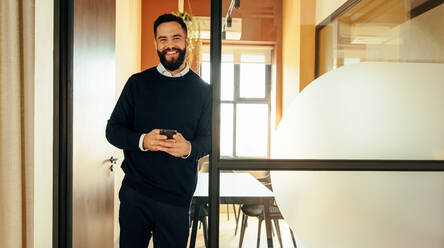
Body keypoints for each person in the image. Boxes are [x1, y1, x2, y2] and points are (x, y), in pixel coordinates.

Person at [106, 13, 211, 248]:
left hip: (176, 199)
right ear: (156, 43)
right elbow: (112, 130)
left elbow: (211, 141)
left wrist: (189, 148)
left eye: (176, 38)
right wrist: (143, 140)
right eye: (163, 39)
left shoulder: (204, 91)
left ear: (186, 41)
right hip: (135, 195)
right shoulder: (137, 83)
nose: (170, 45)